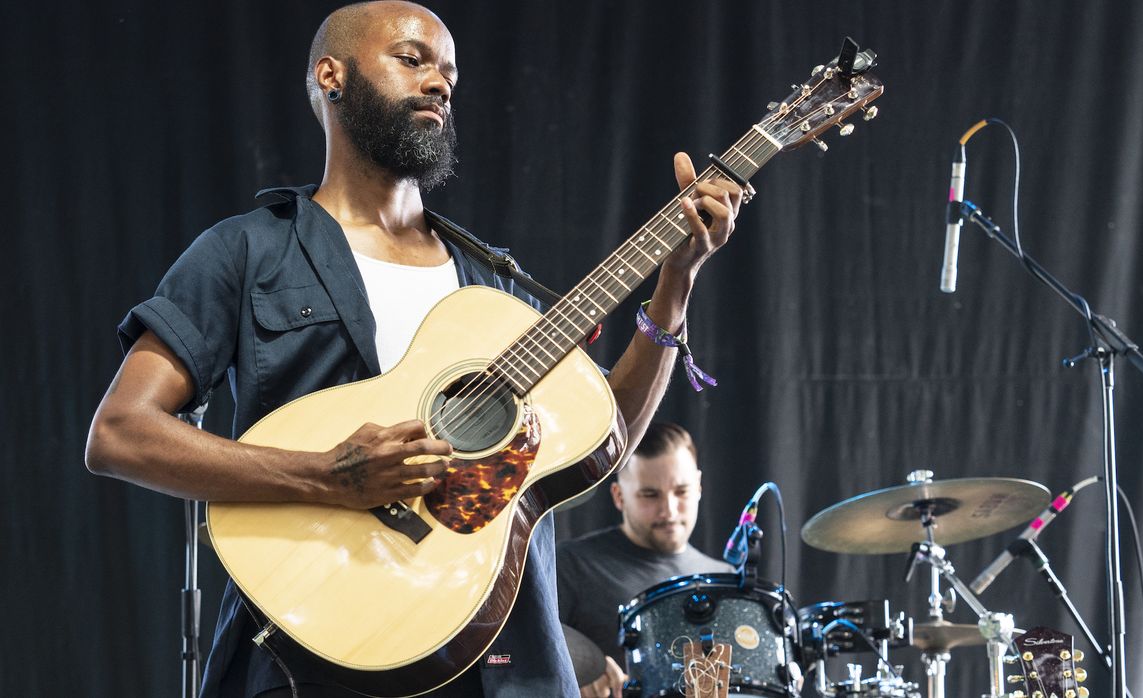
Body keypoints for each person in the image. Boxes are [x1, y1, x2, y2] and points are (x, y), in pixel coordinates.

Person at [84, 2, 745, 697]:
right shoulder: (247, 251)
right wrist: (328, 475)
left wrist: (677, 280)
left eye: (449, 72)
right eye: (412, 59)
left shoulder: (492, 286)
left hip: (503, 658)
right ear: (331, 74)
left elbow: (598, 441)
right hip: (316, 650)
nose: (439, 82)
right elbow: (121, 433)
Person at [557, 422, 733, 698]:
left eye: (682, 491)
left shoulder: (726, 578)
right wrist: (570, 679)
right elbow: (525, 650)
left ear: (699, 486)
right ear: (618, 496)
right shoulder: (570, 565)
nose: (669, 510)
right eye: (650, 495)